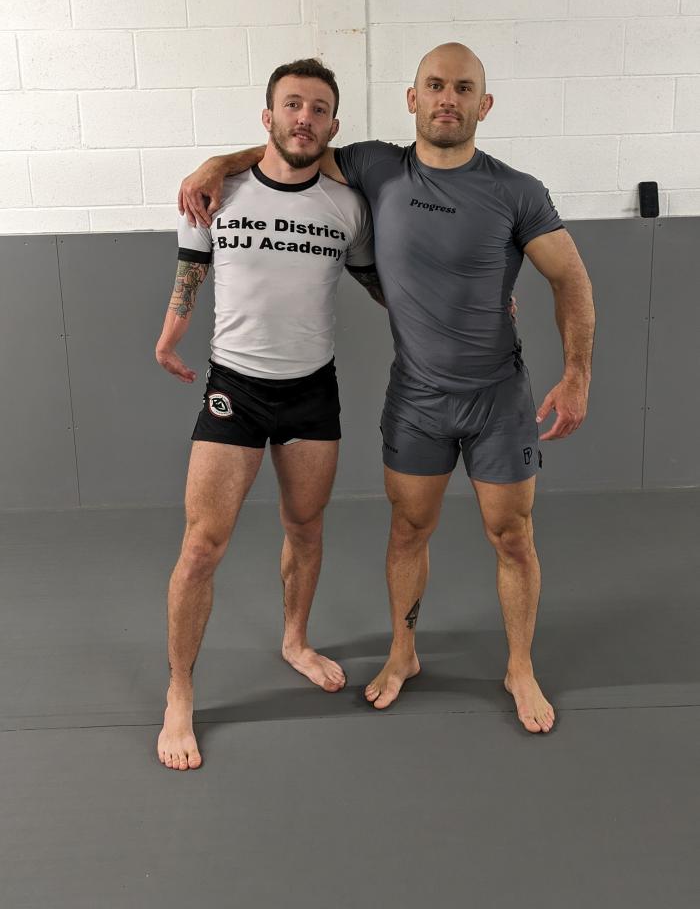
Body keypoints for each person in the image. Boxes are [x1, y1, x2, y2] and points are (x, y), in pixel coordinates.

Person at [179, 43, 595, 735]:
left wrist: (576, 373)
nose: (447, 99)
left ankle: (520, 667)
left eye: (463, 88)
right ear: (412, 98)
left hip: (498, 399)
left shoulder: (517, 191)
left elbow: (571, 277)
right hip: (418, 402)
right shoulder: (376, 166)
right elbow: (292, 147)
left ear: (484, 105)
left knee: (512, 536)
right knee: (408, 530)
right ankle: (403, 653)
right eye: (434, 85)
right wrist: (217, 164)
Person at [156, 58, 383, 770]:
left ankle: (295, 639)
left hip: (312, 392)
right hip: (236, 387)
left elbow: (383, 286)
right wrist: (170, 334)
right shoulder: (217, 191)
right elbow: (191, 270)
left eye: (318, 108)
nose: (304, 117)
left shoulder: (348, 209)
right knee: (202, 547)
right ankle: (180, 691)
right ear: (268, 117)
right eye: (292, 104)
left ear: (334, 126)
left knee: (306, 528)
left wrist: (459, 311)